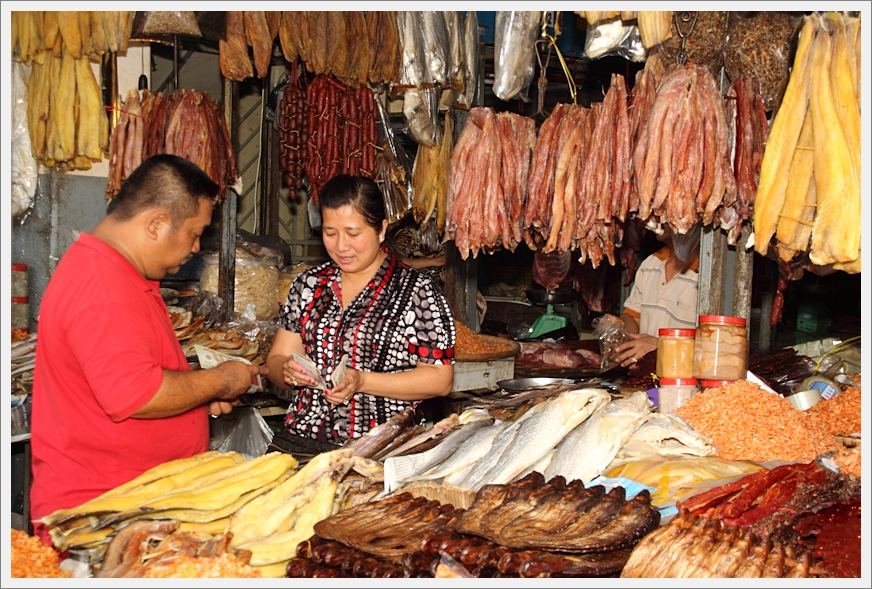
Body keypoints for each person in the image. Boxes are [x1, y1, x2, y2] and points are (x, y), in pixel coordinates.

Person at [30, 154, 267, 545]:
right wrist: (222, 380)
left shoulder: (120, 273)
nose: (195, 247)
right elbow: (138, 395)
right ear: (156, 223)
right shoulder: (103, 287)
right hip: (102, 514)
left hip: (136, 506)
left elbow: (132, 377)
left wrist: (193, 399)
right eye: (194, 233)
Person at [266, 174, 455, 453]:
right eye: (330, 233)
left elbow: (440, 380)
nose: (341, 246)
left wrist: (363, 381)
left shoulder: (417, 291)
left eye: (353, 234)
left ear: (381, 229)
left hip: (383, 446)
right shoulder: (308, 285)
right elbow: (276, 358)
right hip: (304, 439)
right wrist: (285, 371)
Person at [604, 223, 700, 368]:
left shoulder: (709, 275)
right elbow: (634, 318)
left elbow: (717, 345)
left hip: (685, 382)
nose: (656, 220)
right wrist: (621, 326)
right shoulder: (651, 264)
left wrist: (661, 345)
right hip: (645, 378)